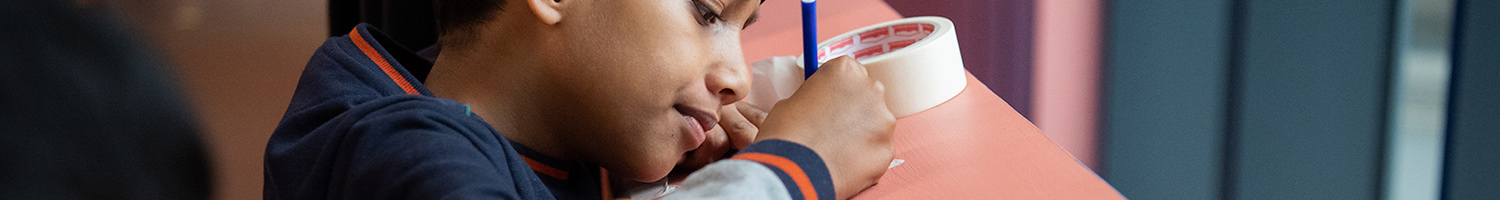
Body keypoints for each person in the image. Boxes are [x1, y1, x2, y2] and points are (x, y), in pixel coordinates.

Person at [265, 0, 894, 199]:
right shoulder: (402, 155)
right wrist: (792, 168)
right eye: (706, 12)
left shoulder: (561, 128)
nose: (739, 78)